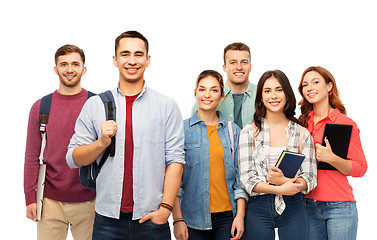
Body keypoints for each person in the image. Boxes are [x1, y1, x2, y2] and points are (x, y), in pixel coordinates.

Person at [66, 30, 185, 240]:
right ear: (115, 59)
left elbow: (175, 160)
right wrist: (102, 142)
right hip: (106, 221)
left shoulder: (166, 106)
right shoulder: (94, 105)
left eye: (139, 55)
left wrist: (165, 209)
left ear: (148, 60)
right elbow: (73, 159)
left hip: (152, 219)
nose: (132, 61)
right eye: (125, 54)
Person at [24, 44, 96, 240]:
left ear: (84, 69)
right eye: (64, 64)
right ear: (56, 69)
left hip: (90, 200)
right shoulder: (41, 107)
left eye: (75, 64)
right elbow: (32, 155)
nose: (70, 69)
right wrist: (30, 198)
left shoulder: (96, 104)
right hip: (49, 202)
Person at [238, 70, 317, 240]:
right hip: (258, 207)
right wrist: (279, 188)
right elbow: (246, 178)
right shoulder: (249, 132)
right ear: (260, 97)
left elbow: (310, 178)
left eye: (279, 90)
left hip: (294, 205)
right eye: (267, 91)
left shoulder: (302, 134)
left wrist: (285, 183)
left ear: (287, 94)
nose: (273, 96)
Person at [172, 70, 248, 240]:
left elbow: (240, 179)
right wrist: (177, 219)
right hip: (192, 219)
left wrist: (240, 217)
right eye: (202, 89)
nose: (207, 95)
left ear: (221, 96)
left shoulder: (233, 131)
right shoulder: (181, 130)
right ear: (195, 93)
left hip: (228, 217)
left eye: (214, 90)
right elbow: (174, 181)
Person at [298, 66, 367, 240]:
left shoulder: (344, 123)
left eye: (315, 82)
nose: (310, 88)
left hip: (340, 207)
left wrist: (332, 159)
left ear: (329, 86)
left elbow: (360, 168)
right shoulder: (301, 124)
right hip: (307, 205)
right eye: (305, 84)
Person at [192, 42, 257, 128]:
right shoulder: (210, 98)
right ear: (224, 67)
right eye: (233, 62)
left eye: (244, 62)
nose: (239, 67)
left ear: (250, 66)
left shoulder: (262, 94)